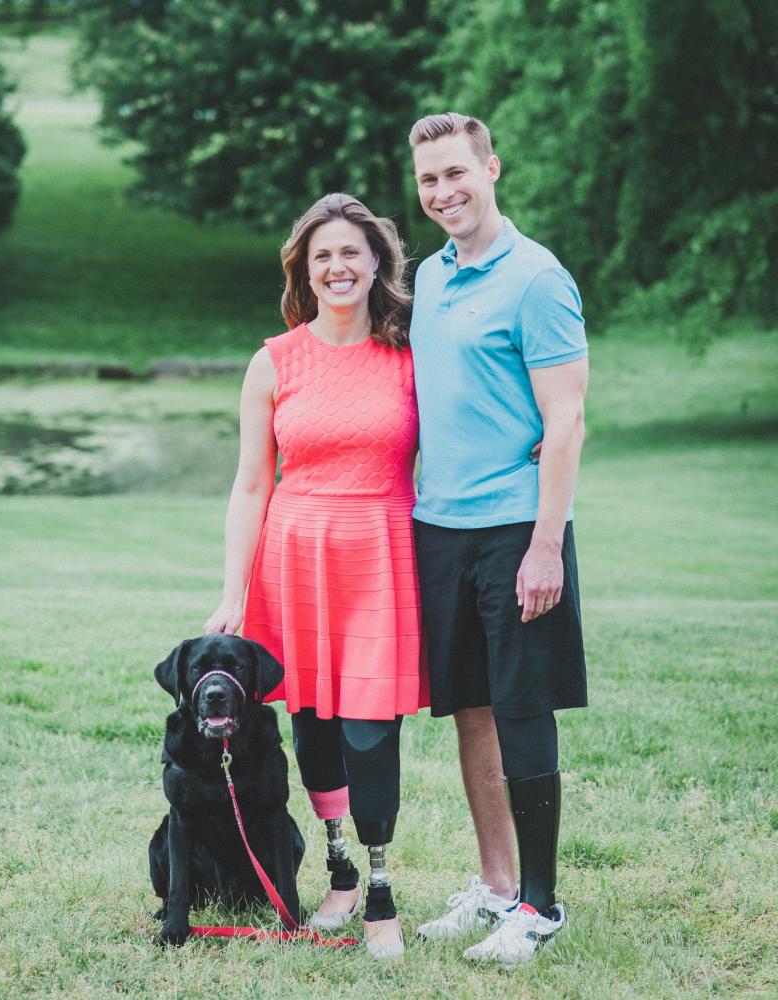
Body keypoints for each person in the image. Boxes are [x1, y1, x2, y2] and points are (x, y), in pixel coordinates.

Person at [204, 193, 427, 960]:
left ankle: (381, 886)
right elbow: (249, 485)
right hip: (294, 557)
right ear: (305, 268)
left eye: (350, 253)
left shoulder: (409, 354)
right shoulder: (273, 360)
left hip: (381, 554)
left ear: (376, 264)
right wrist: (234, 590)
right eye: (321, 255)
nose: (337, 267)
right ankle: (337, 870)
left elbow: (469, 427)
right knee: (315, 721)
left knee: (372, 727)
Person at [406, 112, 588, 968]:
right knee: (470, 708)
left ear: (491, 168)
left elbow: (567, 418)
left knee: (522, 709)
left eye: (455, 173)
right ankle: (494, 886)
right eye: (428, 180)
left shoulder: (538, 279)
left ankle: (540, 908)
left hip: (517, 529)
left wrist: (546, 543)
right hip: (438, 529)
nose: (443, 192)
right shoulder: (430, 279)